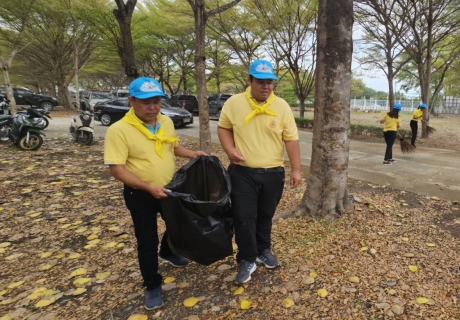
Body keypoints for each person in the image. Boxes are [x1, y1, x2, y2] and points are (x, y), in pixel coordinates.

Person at [104, 77, 207, 310]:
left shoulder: (166, 122)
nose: (152, 107)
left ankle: (168, 252)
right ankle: (152, 284)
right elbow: (116, 169)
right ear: (131, 101)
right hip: (140, 194)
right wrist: (148, 187)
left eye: (157, 101)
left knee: (179, 226)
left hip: (169, 188)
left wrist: (193, 154)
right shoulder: (119, 130)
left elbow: (172, 146)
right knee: (146, 240)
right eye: (145, 102)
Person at [217, 60, 301, 285]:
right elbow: (223, 127)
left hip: (273, 173)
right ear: (249, 80)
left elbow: (291, 139)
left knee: (265, 216)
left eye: (270, 82)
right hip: (242, 172)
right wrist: (229, 148)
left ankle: (264, 249)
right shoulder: (234, 103)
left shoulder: (281, 106)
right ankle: (246, 258)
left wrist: (296, 169)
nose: (266, 86)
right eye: (261, 82)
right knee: (243, 217)